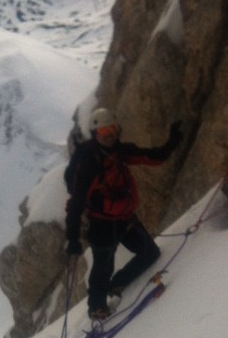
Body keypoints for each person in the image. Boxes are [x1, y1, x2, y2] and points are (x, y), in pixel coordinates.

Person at [64, 107, 182, 320]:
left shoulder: (119, 151)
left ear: (118, 130)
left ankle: (117, 284)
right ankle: (96, 307)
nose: (108, 135)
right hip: (102, 226)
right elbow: (76, 204)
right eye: (103, 132)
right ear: (95, 134)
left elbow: (151, 156)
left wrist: (172, 142)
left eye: (112, 129)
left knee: (150, 253)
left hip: (125, 218)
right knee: (102, 267)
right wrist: (72, 239)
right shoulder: (89, 163)